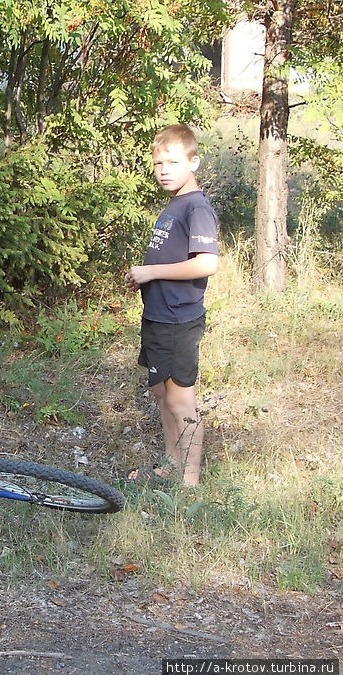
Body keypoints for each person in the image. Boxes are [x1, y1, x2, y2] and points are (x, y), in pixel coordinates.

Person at [125, 123, 219, 488]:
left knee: (181, 400)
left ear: (193, 162)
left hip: (179, 320)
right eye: (159, 163)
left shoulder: (196, 207)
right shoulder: (175, 204)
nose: (164, 170)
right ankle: (171, 462)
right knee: (162, 392)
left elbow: (206, 263)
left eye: (174, 162)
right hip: (157, 315)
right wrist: (144, 277)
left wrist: (151, 272)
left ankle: (190, 479)